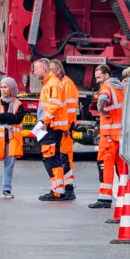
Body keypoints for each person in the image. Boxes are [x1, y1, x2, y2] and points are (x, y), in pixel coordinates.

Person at [33, 59, 73, 202]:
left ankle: (57, 191)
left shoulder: (52, 84)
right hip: (51, 126)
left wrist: (45, 121)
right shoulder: (50, 83)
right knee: (51, 158)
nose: (34, 72)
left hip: (51, 127)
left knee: (51, 158)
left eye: (36, 68)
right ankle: (57, 190)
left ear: (44, 69)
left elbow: (54, 105)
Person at [92, 64, 125, 209]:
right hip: (120, 134)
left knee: (106, 165)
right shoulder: (121, 88)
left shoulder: (106, 87)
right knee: (122, 168)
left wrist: (101, 110)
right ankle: (125, 198)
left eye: (99, 77)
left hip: (109, 135)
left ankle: (104, 199)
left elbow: (102, 100)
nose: (98, 80)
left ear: (106, 75)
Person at [50, 60, 80, 196]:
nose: (49, 72)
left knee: (65, 157)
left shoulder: (66, 84)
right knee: (62, 157)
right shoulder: (61, 83)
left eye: (51, 69)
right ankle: (64, 186)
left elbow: (70, 109)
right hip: (62, 127)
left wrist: (66, 127)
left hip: (66, 128)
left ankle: (69, 187)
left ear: (58, 70)